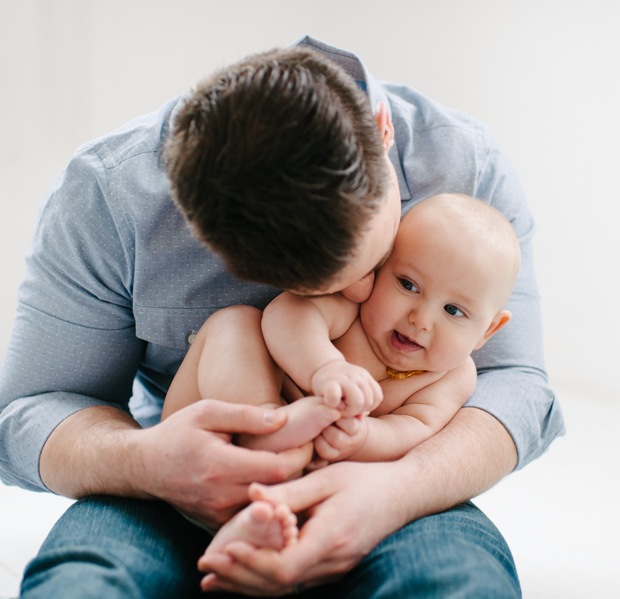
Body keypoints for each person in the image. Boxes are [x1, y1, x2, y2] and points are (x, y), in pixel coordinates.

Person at [0, 36, 564, 598]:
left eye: (375, 268)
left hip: (386, 484)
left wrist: (397, 489)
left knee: (455, 583)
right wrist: (146, 462)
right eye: (403, 282)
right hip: (172, 472)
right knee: (83, 583)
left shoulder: (466, 166)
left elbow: (516, 385)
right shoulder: (114, 191)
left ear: (381, 129)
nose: (361, 294)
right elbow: (31, 409)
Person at [161, 193, 521, 564]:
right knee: (235, 321)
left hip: (298, 489)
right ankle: (264, 420)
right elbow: (285, 314)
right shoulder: (354, 309)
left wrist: (364, 438)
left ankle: (257, 530)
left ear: (488, 331)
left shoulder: (452, 376)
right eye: (408, 285)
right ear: (380, 266)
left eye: (453, 310)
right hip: (207, 441)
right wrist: (324, 367)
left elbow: (414, 429)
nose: (421, 319)